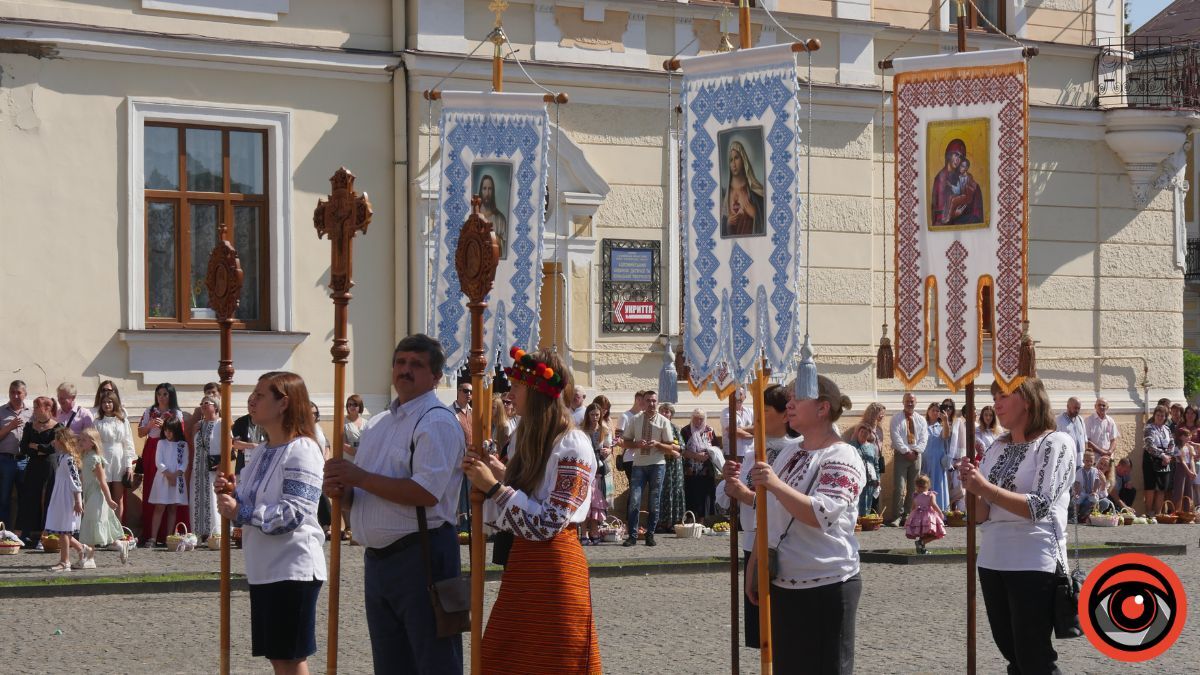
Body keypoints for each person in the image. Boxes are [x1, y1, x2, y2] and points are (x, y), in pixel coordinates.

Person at [322, 334, 466, 674]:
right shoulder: (378, 424)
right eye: (400, 362)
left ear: (435, 377)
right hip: (379, 562)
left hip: (423, 555)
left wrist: (357, 478)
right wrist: (341, 494)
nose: (405, 370)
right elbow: (363, 492)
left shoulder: (436, 421)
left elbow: (425, 493)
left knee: (433, 661)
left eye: (416, 364)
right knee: (391, 664)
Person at [461, 347, 601, 673]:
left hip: (556, 567)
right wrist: (499, 473)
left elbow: (549, 522)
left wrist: (495, 487)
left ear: (536, 391)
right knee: (506, 656)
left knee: (554, 661)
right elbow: (532, 495)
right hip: (525, 562)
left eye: (518, 386)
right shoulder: (532, 437)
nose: (510, 393)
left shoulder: (573, 445)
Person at [730, 375, 863, 672]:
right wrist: (756, 563)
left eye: (797, 398)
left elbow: (820, 514)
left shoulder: (842, 456)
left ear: (822, 409)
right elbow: (768, 511)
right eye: (789, 397)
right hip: (783, 581)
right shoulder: (792, 450)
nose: (789, 404)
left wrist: (775, 484)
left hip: (827, 584)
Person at [959, 377, 1075, 674]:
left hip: (1033, 559)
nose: (996, 403)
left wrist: (985, 488)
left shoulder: (1055, 443)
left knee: (1033, 655)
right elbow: (980, 515)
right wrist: (969, 487)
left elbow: (1039, 506)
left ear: (1027, 399)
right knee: (1011, 652)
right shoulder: (996, 446)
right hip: (993, 559)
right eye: (994, 396)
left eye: (1004, 395)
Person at [216, 371, 326, 675]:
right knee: (278, 658)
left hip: (292, 567)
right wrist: (229, 492)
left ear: (283, 403)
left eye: (261, 394)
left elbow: (294, 513)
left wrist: (240, 511)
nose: (252, 399)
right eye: (254, 392)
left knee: (289, 657)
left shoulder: (302, 450)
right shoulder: (263, 451)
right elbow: (248, 499)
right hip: (265, 568)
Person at [716, 382, 797, 650]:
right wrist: (729, 480)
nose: (756, 418)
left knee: (781, 630)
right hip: (751, 543)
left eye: (763, 411)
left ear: (785, 414)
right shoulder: (753, 449)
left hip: (782, 547)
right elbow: (724, 498)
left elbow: (787, 505)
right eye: (756, 411)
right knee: (760, 631)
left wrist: (747, 496)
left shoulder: (796, 449)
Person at [620, 390, 676, 547]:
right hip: (638, 465)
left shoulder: (664, 421)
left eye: (653, 401)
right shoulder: (635, 419)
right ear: (643, 402)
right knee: (634, 500)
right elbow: (625, 442)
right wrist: (636, 444)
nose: (651, 404)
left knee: (654, 501)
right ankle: (632, 535)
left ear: (657, 402)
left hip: (658, 465)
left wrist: (657, 444)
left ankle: (650, 535)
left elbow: (670, 446)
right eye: (648, 401)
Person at [138, 383, 188, 544]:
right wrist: (151, 425)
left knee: (172, 499)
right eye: (159, 394)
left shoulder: (176, 413)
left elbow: (180, 434)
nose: (161, 397)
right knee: (154, 491)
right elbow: (140, 432)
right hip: (154, 448)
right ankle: (151, 534)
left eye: (165, 394)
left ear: (171, 395)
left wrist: (165, 426)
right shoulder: (149, 411)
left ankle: (168, 536)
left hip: (171, 451)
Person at [18, 396, 62, 546]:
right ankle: (25, 534)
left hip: (50, 466)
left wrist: (35, 446)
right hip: (33, 466)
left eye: (37, 407)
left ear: (47, 409)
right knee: (30, 498)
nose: (34, 410)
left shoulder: (57, 427)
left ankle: (47, 534)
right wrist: (40, 449)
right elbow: (23, 447)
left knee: (48, 499)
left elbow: (52, 449)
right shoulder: (30, 426)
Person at [44, 427, 89, 571]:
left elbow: (75, 481)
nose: (53, 443)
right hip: (59, 495)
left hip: (67, 497)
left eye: (55, 439)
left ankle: (65, 562)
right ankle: (82, 548)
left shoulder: (69, 459)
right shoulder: (62, 457)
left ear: (61, 441)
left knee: (64, 530)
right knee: (61, 529)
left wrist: (77, 501)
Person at [78, 427, 125, 564]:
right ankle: (119, 545)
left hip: (97, 496)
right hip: (88, 494)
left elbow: (103, 482)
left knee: (90, 525)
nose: (80, 441)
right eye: (80, 439)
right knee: (93, 526)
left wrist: (109, 500)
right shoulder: (85, 457)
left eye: (84, 440)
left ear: (92, 443)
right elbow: (84, 477)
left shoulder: (95, 459)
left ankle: (90, 558)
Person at [94, 390, 136, 523]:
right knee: (103, 497)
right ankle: (104, 530)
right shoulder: (98, 422)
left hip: (119, 460)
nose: (107, 405)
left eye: (110, 402)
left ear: (115, 403)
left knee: (118, 498)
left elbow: (128, 444)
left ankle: (118, 530)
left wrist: (129, 466)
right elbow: (94, 444)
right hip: (103, 459)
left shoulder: (123, 421)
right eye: (104, 402)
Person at [145, 418, 188, 548]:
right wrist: (169, 475)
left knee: (172, 508)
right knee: (160, 507)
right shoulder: (161, 443)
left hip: (177, 479)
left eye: (171, 431)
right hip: (163, 479)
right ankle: (153, 537)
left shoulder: (183, 445)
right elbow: (159, 462)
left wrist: (176, 475)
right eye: (166, 431)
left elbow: (184, 462)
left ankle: (168, 537)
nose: (168, 434)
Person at [888, 393, 928, 527]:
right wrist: (906, 451)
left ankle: (908, 516)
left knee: (914, 488)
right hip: (901, 455)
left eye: (912, 401)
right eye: (907, 401)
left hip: (916, 456)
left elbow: (924, 438)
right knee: (899, 487)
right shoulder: (896, 418)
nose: (909, 403)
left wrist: (916, 451)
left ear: (915, 403)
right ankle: (897, 517)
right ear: (903, 402)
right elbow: (896, 437)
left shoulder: (921, 419)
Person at [190, 396, 222, 540]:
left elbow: (229, 445)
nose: (202, 405)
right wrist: (193, 431)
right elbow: (195, 445)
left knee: (212, 498)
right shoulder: (199, 424)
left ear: (215, 406)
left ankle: (215, 534)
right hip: (198, 468)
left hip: (214, 468)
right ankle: (199, 532)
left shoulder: (221, 424)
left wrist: (222, 465)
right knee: (197, 498)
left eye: (206, 403)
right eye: (201, 403)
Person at [0, 380, 31, 528]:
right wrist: (10, 426)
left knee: (24, 498)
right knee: (3, 498)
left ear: (25, 394)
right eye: (13, 392)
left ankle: (21, 532)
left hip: (24, 460)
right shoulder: (1, 411)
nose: (15, 395)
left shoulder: (31, 413)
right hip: (5, 460)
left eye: (19, 392)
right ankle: (2, 532)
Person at [580, 402, 611, 544]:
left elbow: (609, 449)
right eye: (592, 414)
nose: (594, 417)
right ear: (588, 415)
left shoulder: (604, 429)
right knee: (584, 502)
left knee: (595, 503)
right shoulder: (582, 429)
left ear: (601, 415)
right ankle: (584, 534)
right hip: (585, 469)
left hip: (598, 470)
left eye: (597, 415)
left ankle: (594, 531)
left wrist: (607, 451)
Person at [720, 140, 766, 237]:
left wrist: (755, 214)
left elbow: (767, 221)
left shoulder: (755, 191)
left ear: (743, 159)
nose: (733, 164)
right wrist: (728, 223)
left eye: (736, 158)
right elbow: (721, 229)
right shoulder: (725, 194)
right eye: (731, 160)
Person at [681, 409, 717, 519]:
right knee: (692, 493)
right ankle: (692, 520)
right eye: (696, 418)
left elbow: (716, 448)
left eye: (701, 418)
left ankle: (704, 520)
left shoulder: (710, 430)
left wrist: (708, 454)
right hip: (690, 470)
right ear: (692, 418)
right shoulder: (686, 431)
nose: (698, 421)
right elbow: (681, 450)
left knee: (706, 495)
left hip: (707, 470)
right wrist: (696, 456)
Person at [656, 401, 686, 533]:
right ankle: (661, 523)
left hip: (675, 466)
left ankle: (676, 522)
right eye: (662, 410)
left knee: (676, 491)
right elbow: (656, 445)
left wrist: (672, 448)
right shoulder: (656, 427)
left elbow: (682, 447)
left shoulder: (674, 428)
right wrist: (670, 449)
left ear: (671, 415)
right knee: (662, 492)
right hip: (662, 463)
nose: (664, 413)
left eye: (667, 411)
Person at [1142, 404, 1174, 517]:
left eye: (1162, 415)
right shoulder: (1149, 428)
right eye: (1158, 415)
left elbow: (1172, 444)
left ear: (1165, 417)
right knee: (1150, 486)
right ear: (1154, 415)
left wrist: (1168, 456)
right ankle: (1149, 512)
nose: (1160, 417)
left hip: (1165, 459)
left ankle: (1158, 513)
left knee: (1162, 487)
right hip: (1151, 458)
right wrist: (1162, 455)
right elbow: (1149, 445)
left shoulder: (1167, 429)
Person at [920, 402, 953, 512]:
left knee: (938, 485)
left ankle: (940, 512)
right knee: (924, 484)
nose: (935, 412)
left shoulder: (942, 426)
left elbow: (946, 435)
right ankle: (924, 511)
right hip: (924, 460)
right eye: (933, 410)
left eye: (937, 411)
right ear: (928, 411)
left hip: (937, 461)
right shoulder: (922, 425)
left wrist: (945, 421)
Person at [905, 474, 945, 554]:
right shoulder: (930, 494)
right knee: (936, 533)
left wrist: (910, 517)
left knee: (922, 533)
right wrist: (940, 512)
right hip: (928, 516)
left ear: (916, 485)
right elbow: (933, 504)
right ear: (928, 485)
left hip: (918, 517)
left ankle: (922, 549)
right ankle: (921, 543)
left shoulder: (915, 495)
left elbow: (913, 507)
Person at [851, 423, 882, 516]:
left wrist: (878, 478)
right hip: (857, 477)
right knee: (857, 499)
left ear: (869, 435)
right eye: (862, 432)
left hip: (870, 477)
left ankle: (865, 520)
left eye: (866, 433)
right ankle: (857, 520)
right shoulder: (851, 446)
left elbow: (876, 463)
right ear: (858, 432)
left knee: (868, 499)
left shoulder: (872, 447)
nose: (863, 434)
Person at [1074, 451, 1113, 522]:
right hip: (1084, 498)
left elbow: (1103, 496)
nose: (1102, 466)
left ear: (1108, 469)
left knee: (1105, 502)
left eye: (1105, 465)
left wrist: (1103, 483)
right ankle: (1079, 516)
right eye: (1101, 463)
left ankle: (1091, 516)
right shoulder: (1091, 471)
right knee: (1081, 500)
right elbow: (1077, 483)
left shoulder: (1106, 480)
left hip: (1093, 500)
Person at [1085, 398, 1119, 482]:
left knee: (1108, 483)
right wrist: (1103, 452)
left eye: (1104, 405)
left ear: (1107, 407)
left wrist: (1109, 452)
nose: (1101, 407)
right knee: (1093, 482)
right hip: (1094, 460)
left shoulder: (1110, 421)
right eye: (1099, 405)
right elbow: (1088, 442)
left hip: (1108, 460)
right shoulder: (1089, 420)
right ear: (1095, 406)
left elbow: (1114, 440)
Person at [615, 391, 645, 479]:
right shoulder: (625, 416)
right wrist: (635, 443)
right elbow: (617, 439)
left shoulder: (644, 416)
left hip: (644, 459)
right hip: (630, 459)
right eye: (644, 400)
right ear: (637, 400)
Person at [478, 174, 510, 256]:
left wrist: (493, 237)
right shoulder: (474, 216)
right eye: (484, 189)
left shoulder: (500, 219)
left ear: (493, 191)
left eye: (490, 189)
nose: (487, 193)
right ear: (481, 191)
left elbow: (506, 248)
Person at [1055, 397, 1087, 473]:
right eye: (1075, 408)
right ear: (1068, 406)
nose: (1077, 411)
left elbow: (1085, 440)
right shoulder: (1059, 420)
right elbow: (1055, 442)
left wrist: (1086, 456)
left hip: (1080, 461)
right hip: (1067, 461)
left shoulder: (1080, 419)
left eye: (1079, 408)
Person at [722, 388, 754, 459]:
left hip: (750, 453)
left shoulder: (751, 412)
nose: (738, 397)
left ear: (745, 397)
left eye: (740, 394)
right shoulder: (726, 412)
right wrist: (753, 435)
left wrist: (739, 428)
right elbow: (735, 432)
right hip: (733, 454)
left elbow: (758, 428)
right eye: (736, 394)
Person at [1171, 426, 1197, 506]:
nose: (1189, 437)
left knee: (1189, 490)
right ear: (1180, 437)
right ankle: (1177, 511)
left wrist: (1193, 471)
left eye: (1189, 435)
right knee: (1179, 490)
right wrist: (1189, 472)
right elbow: (1182, 461)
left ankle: (1187, 511)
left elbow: (1191, 460)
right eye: (1186, 435)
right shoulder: (1177, 448)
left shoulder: (1190, 447)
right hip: (1181, 469)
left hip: (1188, 469)